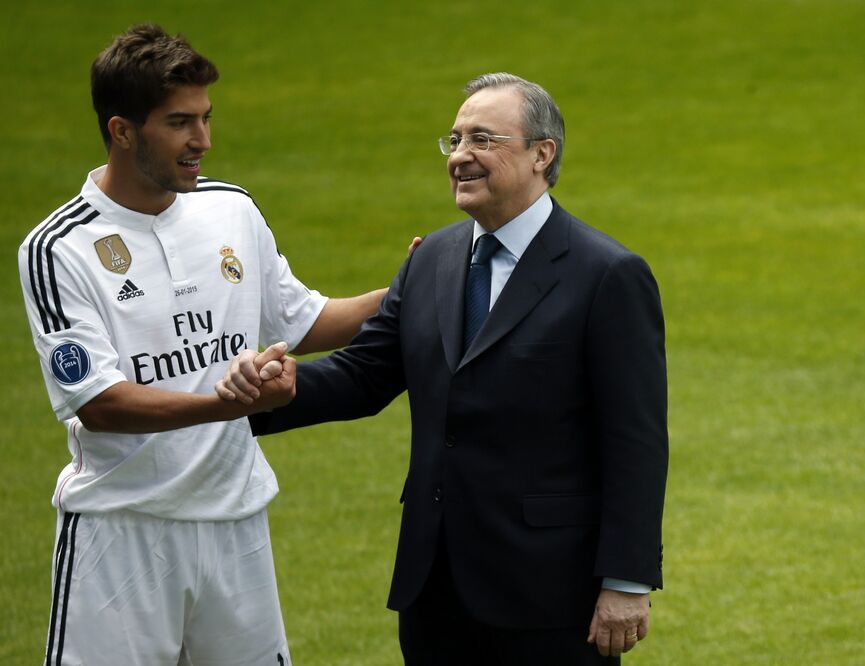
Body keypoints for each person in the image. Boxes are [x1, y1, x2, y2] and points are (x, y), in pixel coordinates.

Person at [220, 72, 668, 664]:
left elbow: (635, 440)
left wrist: (627, 582)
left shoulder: (607, 275)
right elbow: (365, 374)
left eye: (482, 140)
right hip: (433, 586)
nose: (460, 156)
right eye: (453, 141)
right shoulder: (431, 257)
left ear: (542, 154)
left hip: (551, 594)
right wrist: (282, 388)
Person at [17, 24, 393, 666]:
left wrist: (420, 286)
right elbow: (99, 403)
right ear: (122, 130)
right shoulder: (59, 248)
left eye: (206, 118)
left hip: (234, 522)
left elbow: (304, 321)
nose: (203, 141)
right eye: (179, 123)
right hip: (121, 532)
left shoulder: (231, 209)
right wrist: (227, 404)